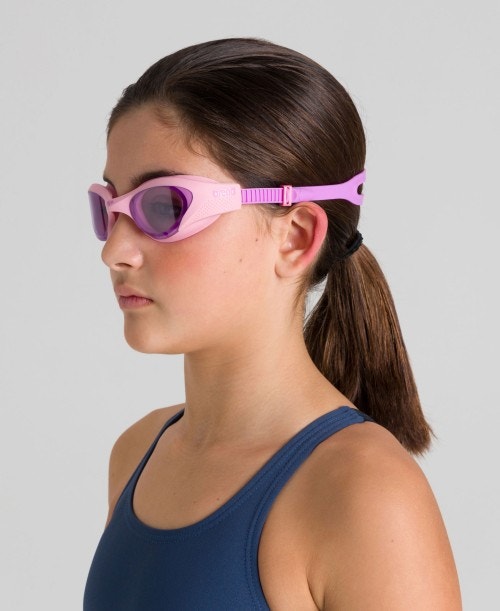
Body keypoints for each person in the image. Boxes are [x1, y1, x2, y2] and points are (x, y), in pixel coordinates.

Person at [83, 38, 461, 610]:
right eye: (108, 207)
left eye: (164, 207)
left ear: (296, 237)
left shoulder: (363, 492)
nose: (114, 251)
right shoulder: (138, 453)